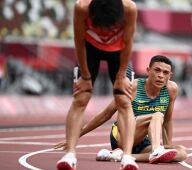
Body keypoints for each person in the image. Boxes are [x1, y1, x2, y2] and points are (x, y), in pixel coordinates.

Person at [55, 55, 187, 164]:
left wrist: (168, 150)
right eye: (157, 70)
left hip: (143, 140)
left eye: (165, 73)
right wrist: (76, 136)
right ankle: (155, 151)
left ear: (170, 75)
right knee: (157, 115)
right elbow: (106, 114)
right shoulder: (133, 86)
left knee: (181, 152)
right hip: (122, 135)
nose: (161, 76)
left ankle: (123, 156)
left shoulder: (171, 89)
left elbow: (168, 120)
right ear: (148, 70)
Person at [56, 0, 138, 170]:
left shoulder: (129, 8)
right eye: (100, 27)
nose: (105, 33)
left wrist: (121, 76)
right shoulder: (81, 8)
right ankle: (70, 154)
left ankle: (128, 157)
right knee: (81, 97)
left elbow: (128, 42)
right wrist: (85, 76)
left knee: (123, 100)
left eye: (109, 28)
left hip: (118, 53)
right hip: (90, 50)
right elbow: (79, 42)